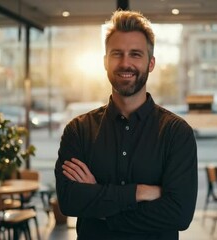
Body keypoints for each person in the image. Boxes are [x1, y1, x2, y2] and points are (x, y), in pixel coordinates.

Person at [54, 10, 198, 240]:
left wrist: (100, 204)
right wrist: (139, 192)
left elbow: (179, 214)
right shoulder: (78, 130)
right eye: (117, 54)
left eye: (135, 54)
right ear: (105, 62)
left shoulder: (176, 133)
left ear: (150, 64)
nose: (125, 63)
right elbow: (70, 202)